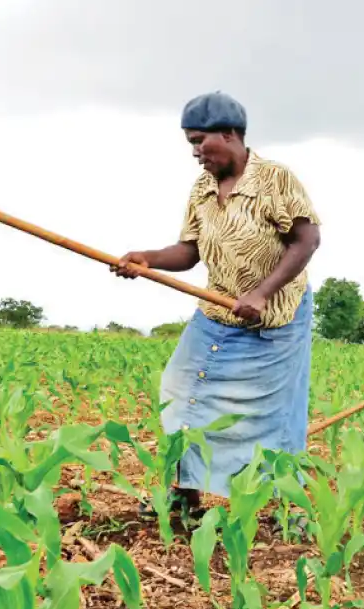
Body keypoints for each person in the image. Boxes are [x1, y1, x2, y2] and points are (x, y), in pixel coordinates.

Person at [113, 92, 321, 513]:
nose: (194, 153)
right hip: (217, 315)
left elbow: (307, 240)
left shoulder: (276, 179)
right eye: (190, 143)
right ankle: (184, 495)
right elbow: (189, 251)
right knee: (181, 393)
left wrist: (262, 293)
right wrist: (147, 260)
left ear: (229, 134)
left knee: (276, 415)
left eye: (199, 141)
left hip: (275, 320)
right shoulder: (203, 188)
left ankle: (288, 507)